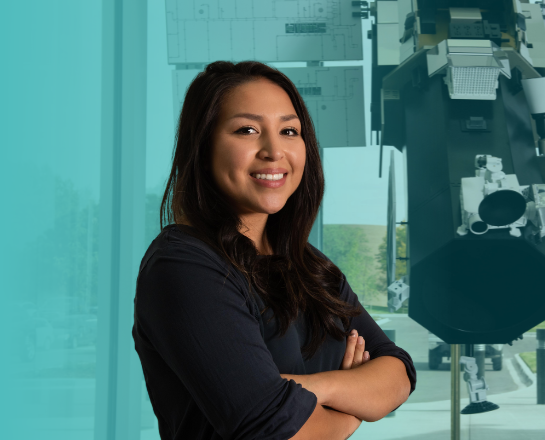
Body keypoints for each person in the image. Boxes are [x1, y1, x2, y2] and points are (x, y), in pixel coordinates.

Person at [132, 61, 415, 440]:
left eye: (289, 130)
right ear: (202, 147)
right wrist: (354, 412)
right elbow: (269, 429)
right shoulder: (183, 266)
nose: (274, 151)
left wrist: (318, 390)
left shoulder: (311, 268)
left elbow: (397, 372)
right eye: (247, 130)